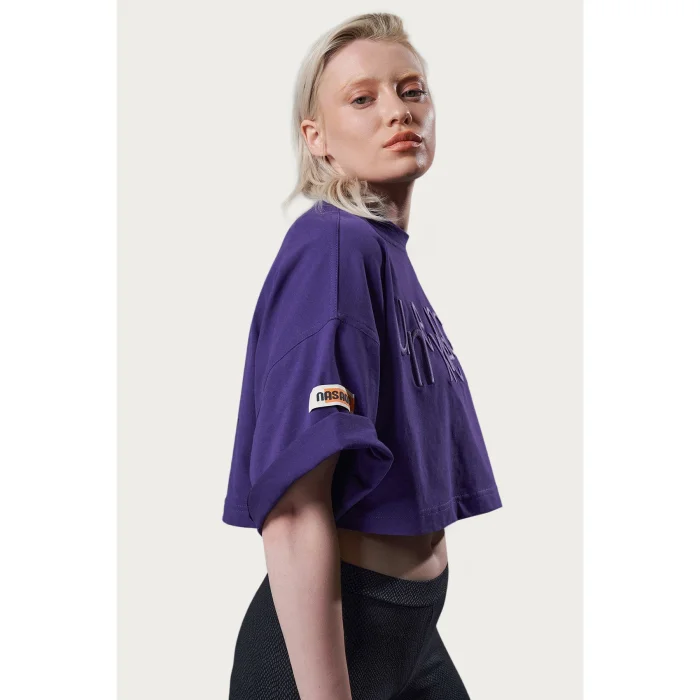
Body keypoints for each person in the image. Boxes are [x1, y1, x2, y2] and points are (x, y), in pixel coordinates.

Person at [222, 12, 503, 700]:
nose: (397, 111)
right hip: (333, 649)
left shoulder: (381, 252)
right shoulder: (333, 247)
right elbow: (293, 508)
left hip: (409, 635)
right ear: (315, 137)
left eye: (412, 90)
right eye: (361, 98)